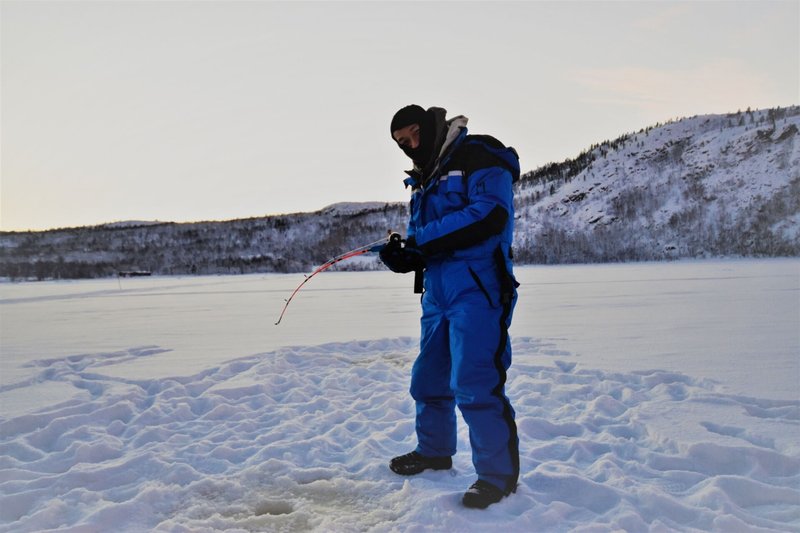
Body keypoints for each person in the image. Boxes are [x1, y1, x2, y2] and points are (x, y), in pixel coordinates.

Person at [380, 104, 521, 509]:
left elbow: (489, 215)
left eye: (412, 136)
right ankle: (435, 452)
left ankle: (497, 479)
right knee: (428, 379)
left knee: (475, 383)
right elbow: (422, 236)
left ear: (427, 126)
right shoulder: (423, 179)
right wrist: (406, 254)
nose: (409, 147)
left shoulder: (479, 156)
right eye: (401, 144)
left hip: (480, 288)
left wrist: (422, 243)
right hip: (438, 295)